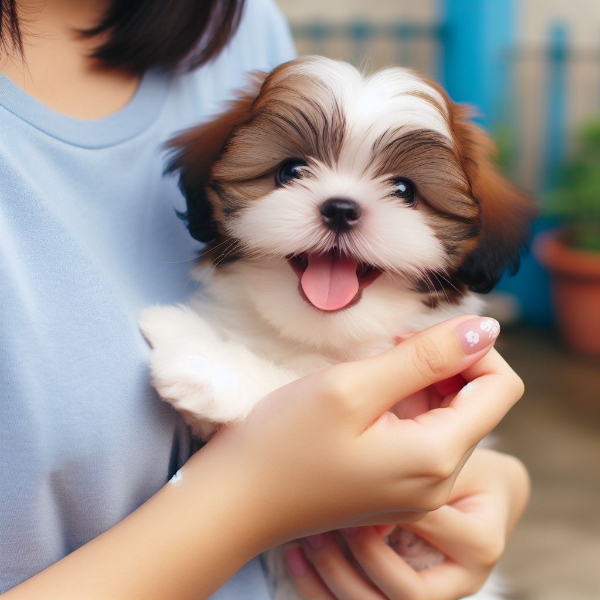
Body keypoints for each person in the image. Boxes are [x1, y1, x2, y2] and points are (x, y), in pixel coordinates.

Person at [0, 1, 529, 598]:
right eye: (291, 171)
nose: (340, 203)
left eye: (404, 189)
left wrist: (483, 481)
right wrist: (246, 495)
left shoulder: (234, 23)